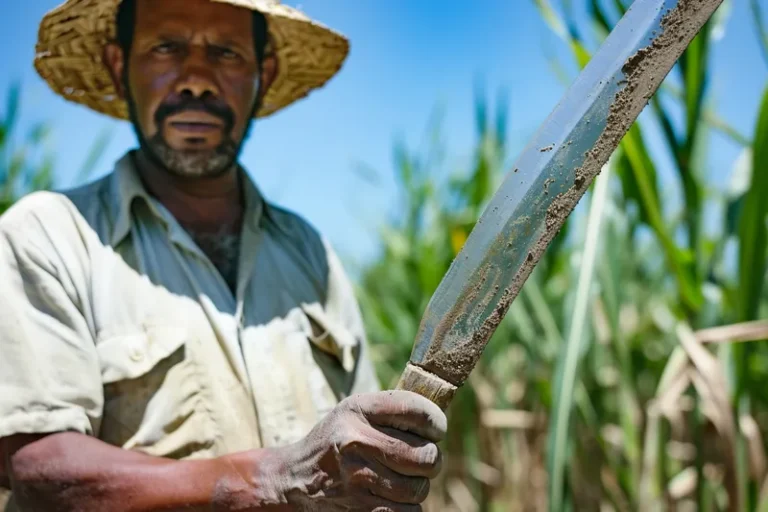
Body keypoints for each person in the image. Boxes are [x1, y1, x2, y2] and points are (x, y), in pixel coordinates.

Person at [0, 0, 446, 510]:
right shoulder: (47, 237)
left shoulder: (309, 253)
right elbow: (37, 464)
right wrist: (269, 479)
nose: (196, 79)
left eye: (226, 52)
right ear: (119, 65)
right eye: (166, 47)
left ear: (264, 72)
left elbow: (358, 465)